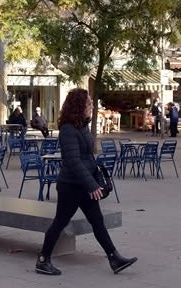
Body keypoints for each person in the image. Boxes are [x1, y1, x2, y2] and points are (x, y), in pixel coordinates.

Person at [35, 88, 137, 276]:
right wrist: (91, 184)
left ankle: (114, 258)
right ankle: (43, 260)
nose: (92, 106)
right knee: (60, 222)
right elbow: (73, 161)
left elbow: (87, 157)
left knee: (97, 222)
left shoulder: (81, 126)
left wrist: (93, 179)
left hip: (84, 184)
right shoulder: (67, 130)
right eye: (89, 103)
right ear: (78, 106)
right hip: (71, 186)